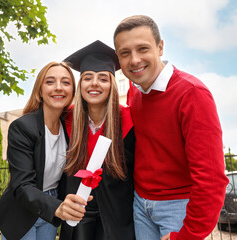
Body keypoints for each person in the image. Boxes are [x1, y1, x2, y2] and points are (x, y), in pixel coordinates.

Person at [113, 15, 229, 240]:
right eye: (125, 53)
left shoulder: (192, 94)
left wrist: (189, 235)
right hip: (141, 205)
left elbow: (212, 178)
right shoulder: (134, 92)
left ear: (160, 47)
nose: (134, 59)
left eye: (143, 48)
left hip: (179, 208)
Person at [0, 62, 92, 240]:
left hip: (52, 207)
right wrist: (56, 207)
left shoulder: (69, 128)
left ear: (73, 92)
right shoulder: (22, 127)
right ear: (40, 90)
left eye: (66, 83)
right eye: (50, 82)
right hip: (23, 207)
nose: (58, 88)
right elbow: (21, 184)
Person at [59, 40, 135, 240]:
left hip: (118, 217)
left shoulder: (130, 120)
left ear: (112, 85)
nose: (94, 84)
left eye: (103, 78)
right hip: (77, 212)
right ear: (80, 84)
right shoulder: (65, 118)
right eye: (88, 78)